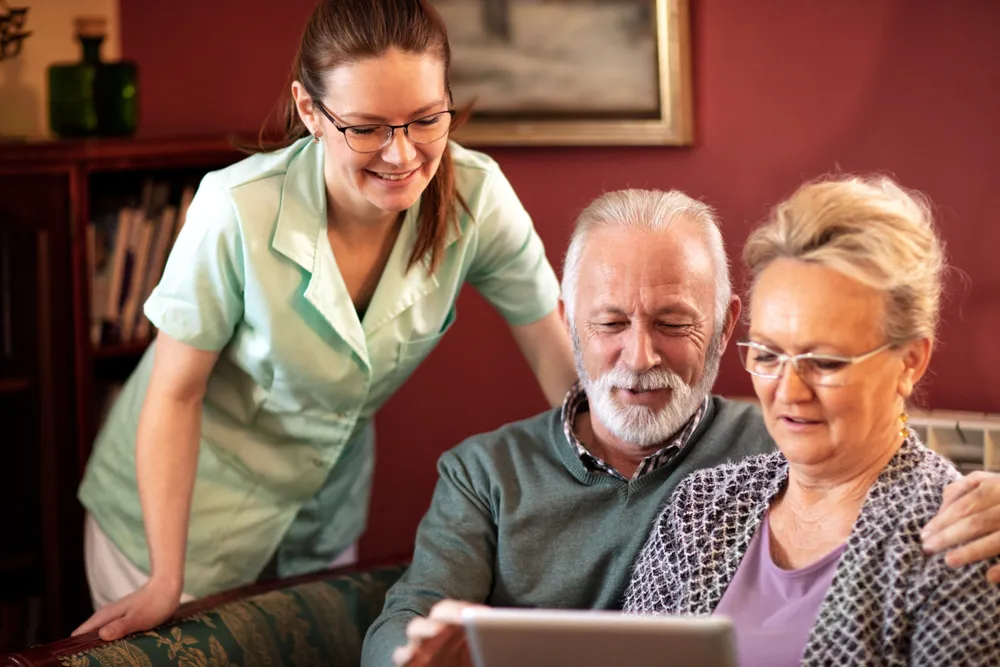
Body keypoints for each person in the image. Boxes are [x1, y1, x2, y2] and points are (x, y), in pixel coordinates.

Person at [73, 0, 576, 642]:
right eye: (366, 128)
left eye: (426, 119)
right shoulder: (236, 210)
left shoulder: (478, 197)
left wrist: (615, 483)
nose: (401, 155)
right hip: (179, 516)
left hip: (323, 516)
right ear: (310, 111)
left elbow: (552, 349)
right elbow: (175, 392)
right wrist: (164, 579)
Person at [374, 187, 1000, 667]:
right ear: (570, 325)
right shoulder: (706, 503)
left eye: (672, 324)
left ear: (725, 327)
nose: (640, 357)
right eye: (611, 324)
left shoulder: (798, 451)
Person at [623, 175, 1000, 665]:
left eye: (825, 362)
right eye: (768, 354)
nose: (790, 390)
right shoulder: (700, 508)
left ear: (909, 361)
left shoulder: (956, 539)